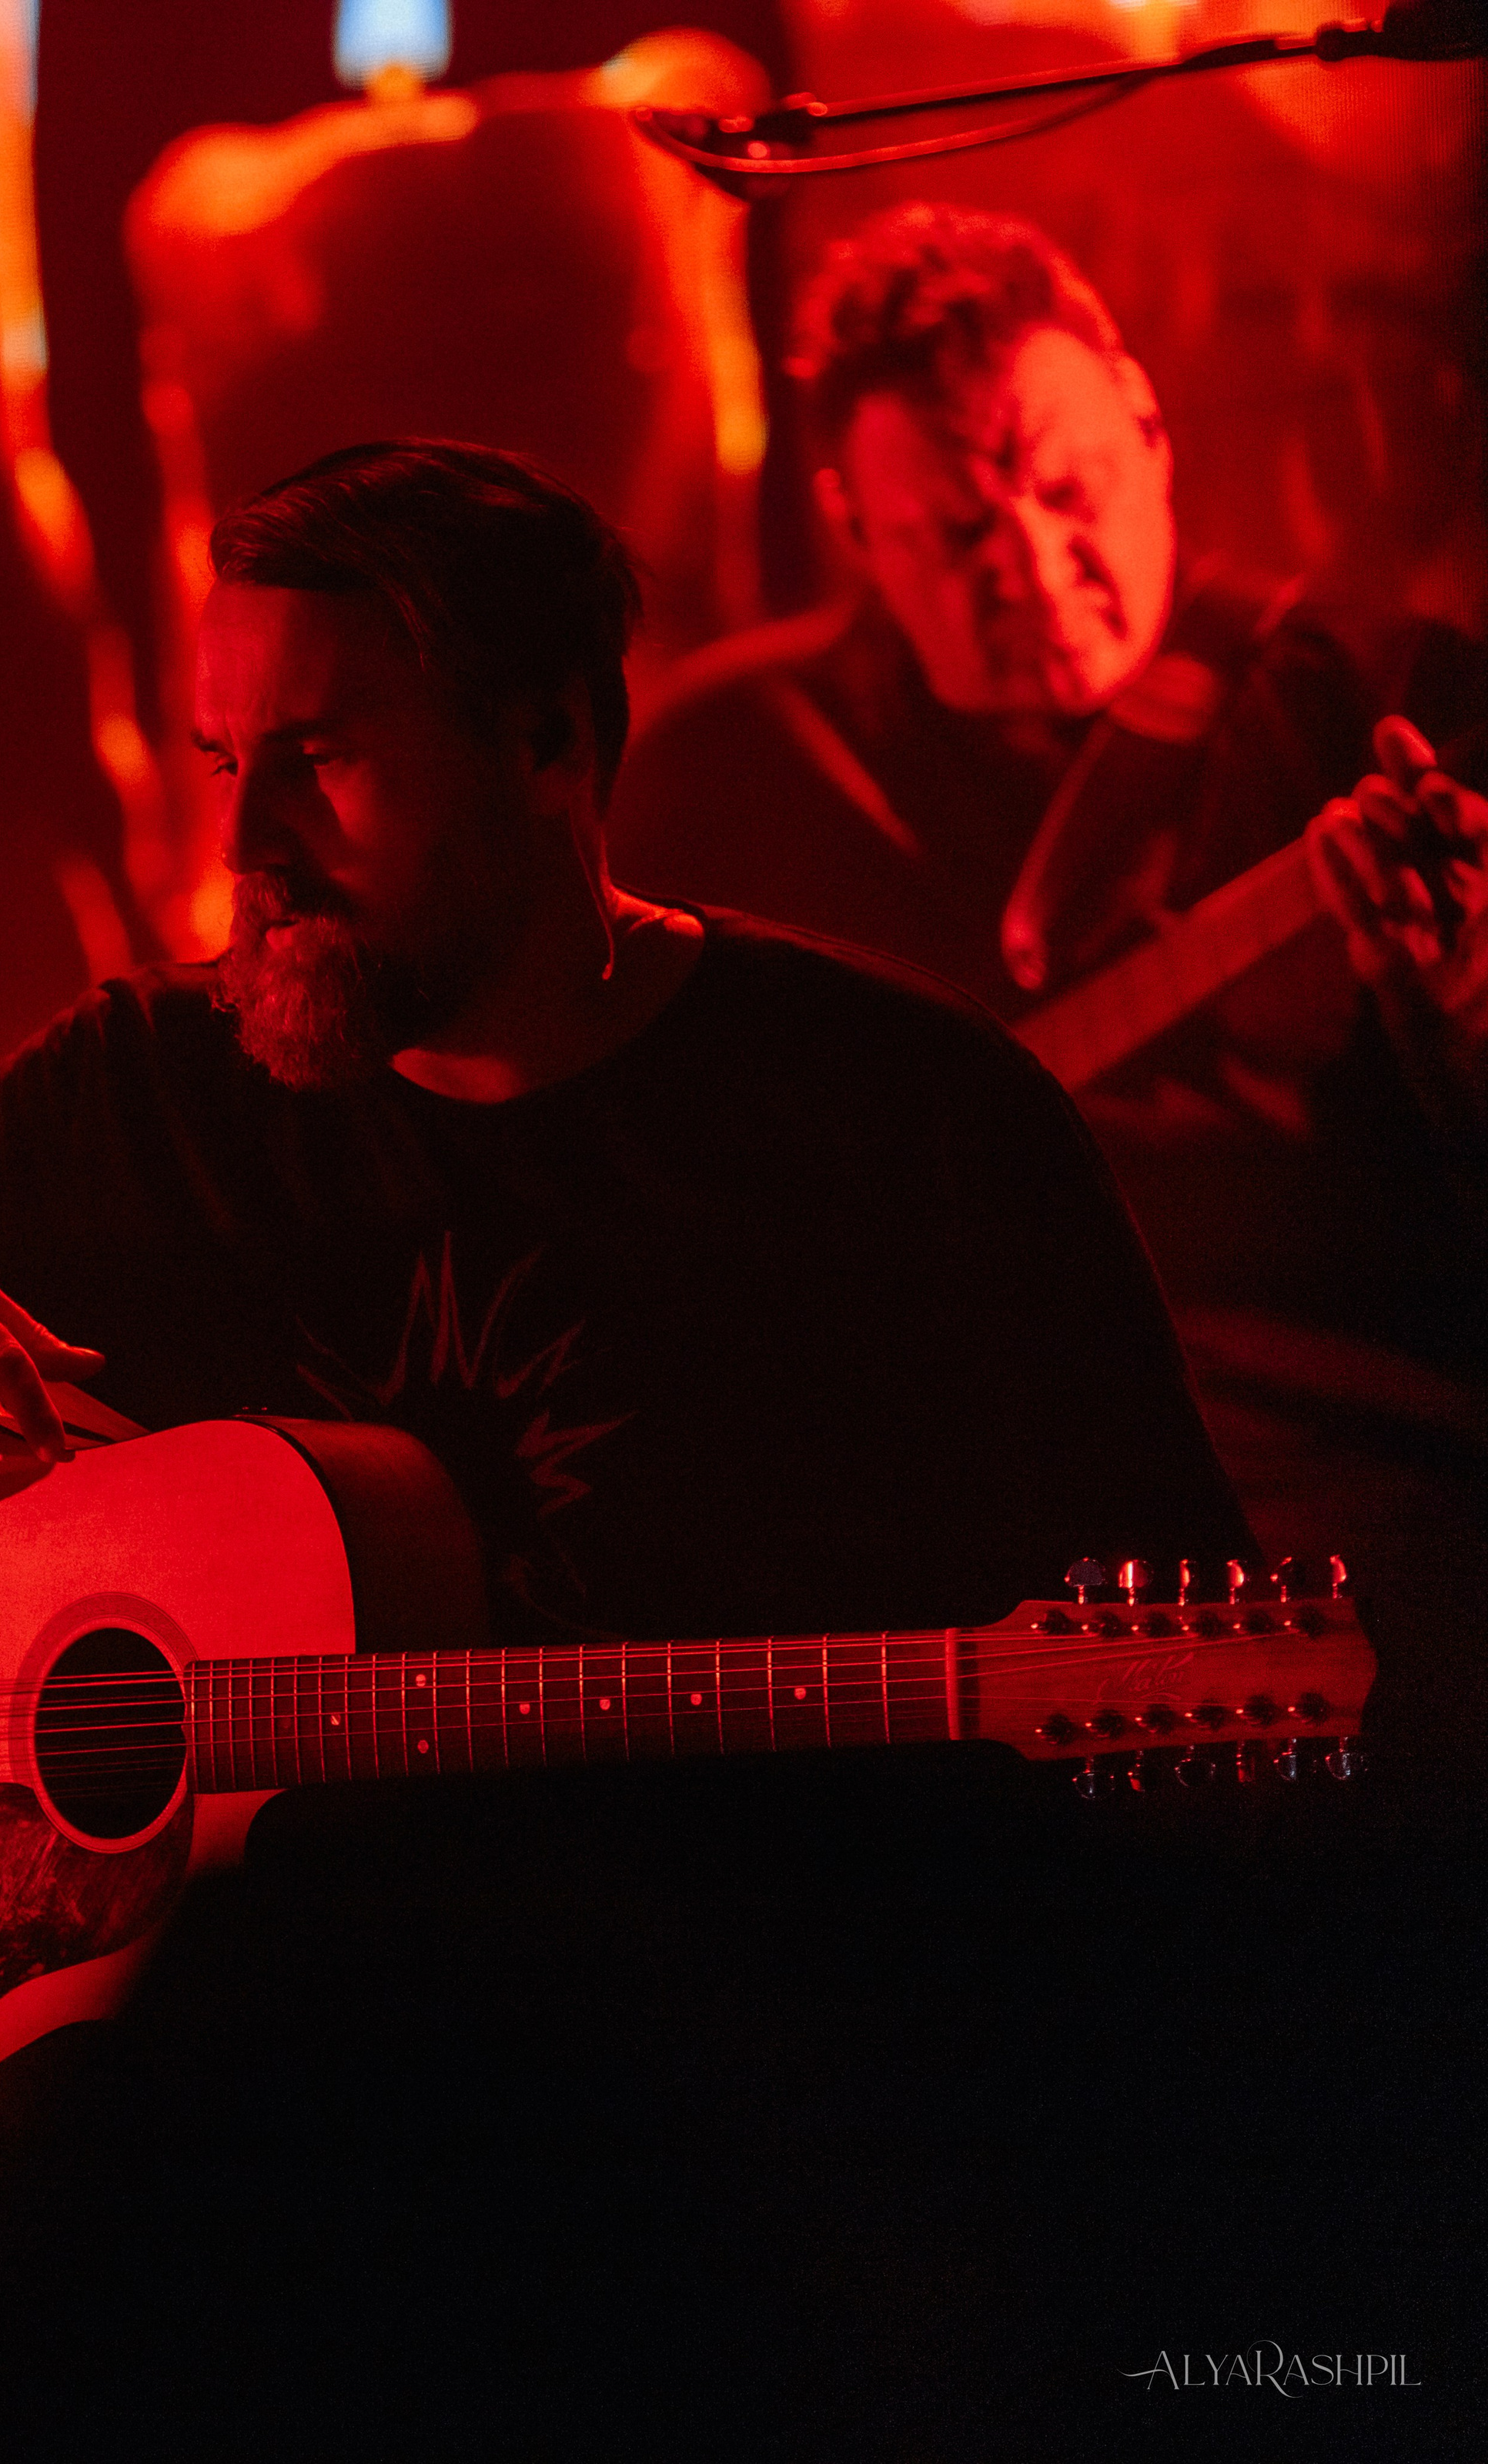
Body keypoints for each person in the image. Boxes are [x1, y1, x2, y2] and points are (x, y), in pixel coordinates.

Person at [0, 442, 1269, 2457]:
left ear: (553, 745)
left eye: (324, 758)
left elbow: (1191, 1769)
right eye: (229, 763)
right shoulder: (143, 1095)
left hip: (706, 2123)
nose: (257, 843)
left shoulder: (915, 1133)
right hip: (207, 2142)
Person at [609, 203, 1488, 1781]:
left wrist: (1466, 999)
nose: (1027, 562)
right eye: (953, 530)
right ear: (850, 527)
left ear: (1147, 430)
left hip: (1309, 1489)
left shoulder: (1393, 704)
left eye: (1063, 487)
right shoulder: (720, 774)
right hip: (888, 1522)